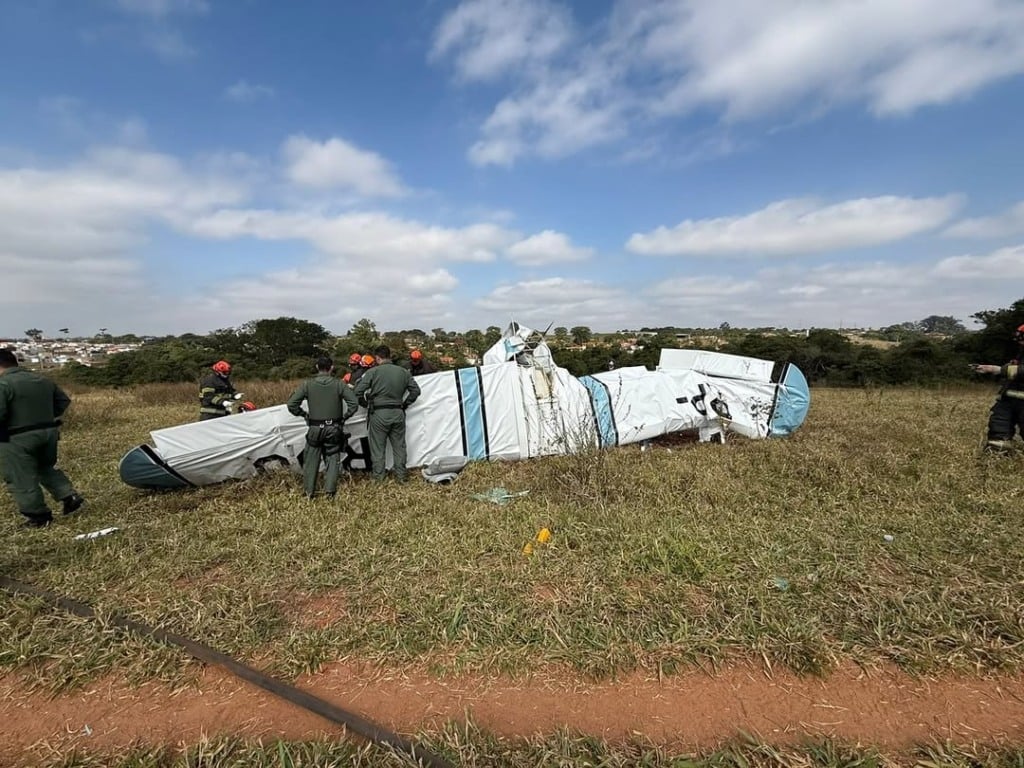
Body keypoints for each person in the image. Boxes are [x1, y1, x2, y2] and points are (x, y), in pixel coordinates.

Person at [0, 348, 85, 528]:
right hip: (48, 432)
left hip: (16, 437)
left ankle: (38, 516)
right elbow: (63, 401)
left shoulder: (3, 384)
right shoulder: (42, 380)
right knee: (44, 467)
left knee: (21, 477)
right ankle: (69, 495)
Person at [287, 356, 360, 498]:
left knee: (311, 459)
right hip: (334, 427)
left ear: (316, 367)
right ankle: (330, 492)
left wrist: (303, 414)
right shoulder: (339, 384)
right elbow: (354, 403)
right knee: (333, 458)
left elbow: (291, 404)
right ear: (331, 368)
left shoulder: (307, 384)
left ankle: (309, 492)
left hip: (314, 427)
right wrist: (345, 417)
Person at [354, 345, 420, 482]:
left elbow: (357, 391)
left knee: (378, 448)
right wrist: (405, 404)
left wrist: (365, 404)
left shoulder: (373, 372)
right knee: (399, 446)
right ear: (389, 356)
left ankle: (379, 478)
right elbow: (416, 391)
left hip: (378, 413)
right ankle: (401, 477)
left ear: (377, 358)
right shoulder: (403, 372)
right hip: (398, 412)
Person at [974, 323, 1024, 452]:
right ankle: (996, 454)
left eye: (1021, 337)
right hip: (1008, 400)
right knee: (999, 426)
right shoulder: (1020, 353)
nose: (1018, 340)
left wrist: (997, 369)